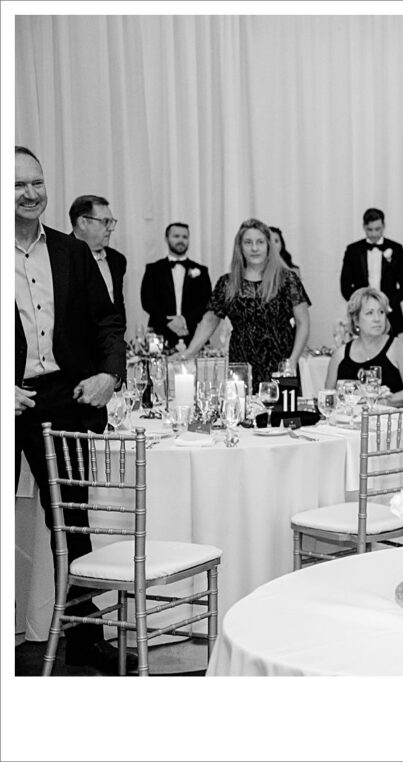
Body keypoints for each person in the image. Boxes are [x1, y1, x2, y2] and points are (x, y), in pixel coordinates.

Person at [14, 146, 130, 673]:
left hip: (62, 399)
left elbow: (108, 321)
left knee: (73, 518)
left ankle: (85, 635)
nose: (31, 193)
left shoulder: (71, 251)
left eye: (37, 182)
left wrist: (108, 374)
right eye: (18, 185)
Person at [179, 218, 311, 385]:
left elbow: (303, 322)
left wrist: (292, 360)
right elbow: (209, 320)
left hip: (281, 364)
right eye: (248, 242)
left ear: (268, 245)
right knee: (241, 409)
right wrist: (190, 352)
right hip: (241, 365)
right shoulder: (227, 282)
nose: (254, 248)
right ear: (240, 247)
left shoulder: (287, 279)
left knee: (280, 411)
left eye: (260, 242)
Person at [326, 287, 403, 407]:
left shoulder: (398, 348)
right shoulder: (340, 355)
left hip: (390, 421)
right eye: (370, 313)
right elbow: (328, 398)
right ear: (356, 319)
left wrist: (382, 401)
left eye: (381, 312)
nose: (377, 319)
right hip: (348, 422)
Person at [340, 208, 403, 336]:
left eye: (377, 229)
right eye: (369, 230)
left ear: (384, 226)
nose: (373, 234)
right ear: (364, 227)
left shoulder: (396, 249)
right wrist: (360, 305)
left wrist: (387, 304)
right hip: (362, 315)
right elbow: (345, 286)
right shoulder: (353, 250)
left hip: (390, 314)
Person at [140, 222, 213, 349]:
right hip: (160, 334)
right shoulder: (153, 269)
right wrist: (169, 322)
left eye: (185, 237)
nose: (181, 240)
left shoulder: (201, 271)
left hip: (194, 334)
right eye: (176, 236)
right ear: (166, 238)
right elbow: (147, 301)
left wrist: (184, 320)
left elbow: (206, 302)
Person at [69, 195, 126, 324]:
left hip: (111, 341)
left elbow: (118, 305)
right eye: (106, 222)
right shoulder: (60, 258)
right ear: (83, 222)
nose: (111, 228)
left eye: (112, 222)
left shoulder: (117, 260)